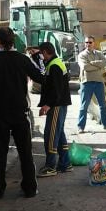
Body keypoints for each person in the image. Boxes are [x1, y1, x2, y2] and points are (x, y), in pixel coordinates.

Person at [0, 26, 44, 199]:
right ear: (14, 40)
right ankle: (29, 188)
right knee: (25, 153)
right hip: (21, 113)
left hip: (1, 114)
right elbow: (40, 77)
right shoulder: (23, 59)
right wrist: (37, 57)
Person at [36, 42, 73, 177]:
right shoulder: (54, 62)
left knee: (50, 135)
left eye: (41, 53)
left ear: (45, 52)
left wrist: (47, 105)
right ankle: (65, 163)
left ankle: (51, 166)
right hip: (59, 104)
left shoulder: (55, 66)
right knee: (59, 133)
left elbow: (56, 90)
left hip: (56, 105)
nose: (40, 56)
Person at [77, 35, 106, 132]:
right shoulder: (82, 55)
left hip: (99, 82)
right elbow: (85, 67)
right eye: (86, 42)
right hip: (87, 83)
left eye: (90, 42)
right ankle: (80, 127)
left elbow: (104, 63)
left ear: (94, 43)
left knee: (103, 105)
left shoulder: (99, 53)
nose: (88, 44)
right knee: (84, 106)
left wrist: (92, 63)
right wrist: (98, 66)